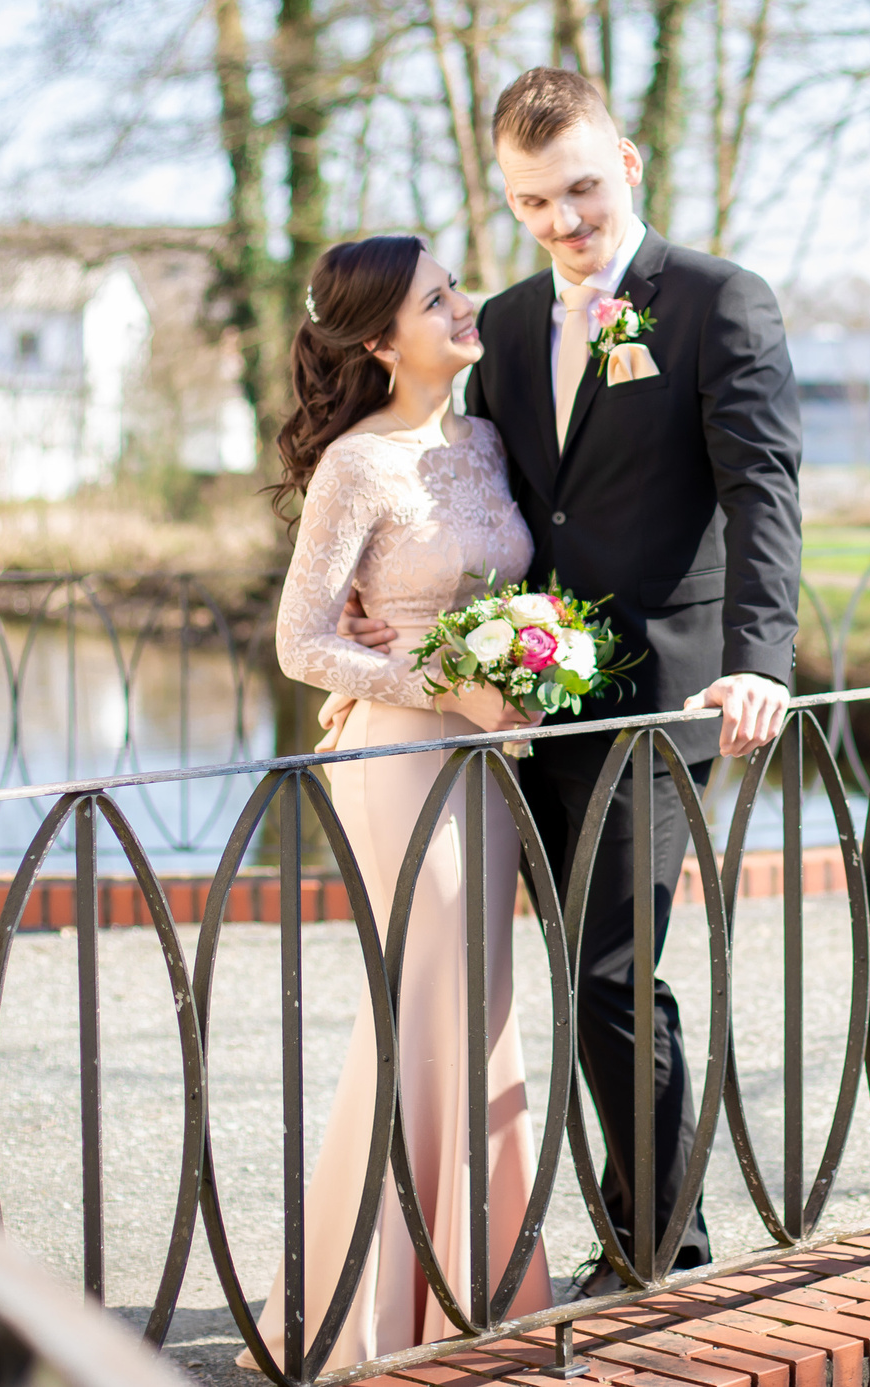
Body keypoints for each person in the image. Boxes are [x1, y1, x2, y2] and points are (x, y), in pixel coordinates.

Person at [344, 67, 802, 1290]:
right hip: (521, 706)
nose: (563, 222)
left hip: (665, 702)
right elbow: (467, 497)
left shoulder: (715, 300)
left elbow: (764, 494)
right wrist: (388, 652)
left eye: (581, 191)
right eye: (532, 201)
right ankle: (483, 1238)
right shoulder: (494, 324)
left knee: (610, 963)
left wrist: (761, 668)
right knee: (519, 969)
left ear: (630, 165)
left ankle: (659, 1245)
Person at [244, 235, 553, 1371]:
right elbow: (300, 641)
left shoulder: (482, 440)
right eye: (439, 298)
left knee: (481, 1007)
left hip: (483, 757)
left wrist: (524, 671)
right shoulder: (356, 469)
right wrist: (435, 682)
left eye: (455, 286)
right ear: (381, 340)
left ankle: (478, 1288)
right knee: (420, 1012)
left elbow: (503, 584)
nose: (465, 306)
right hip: (402, 758)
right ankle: (371, 1307)